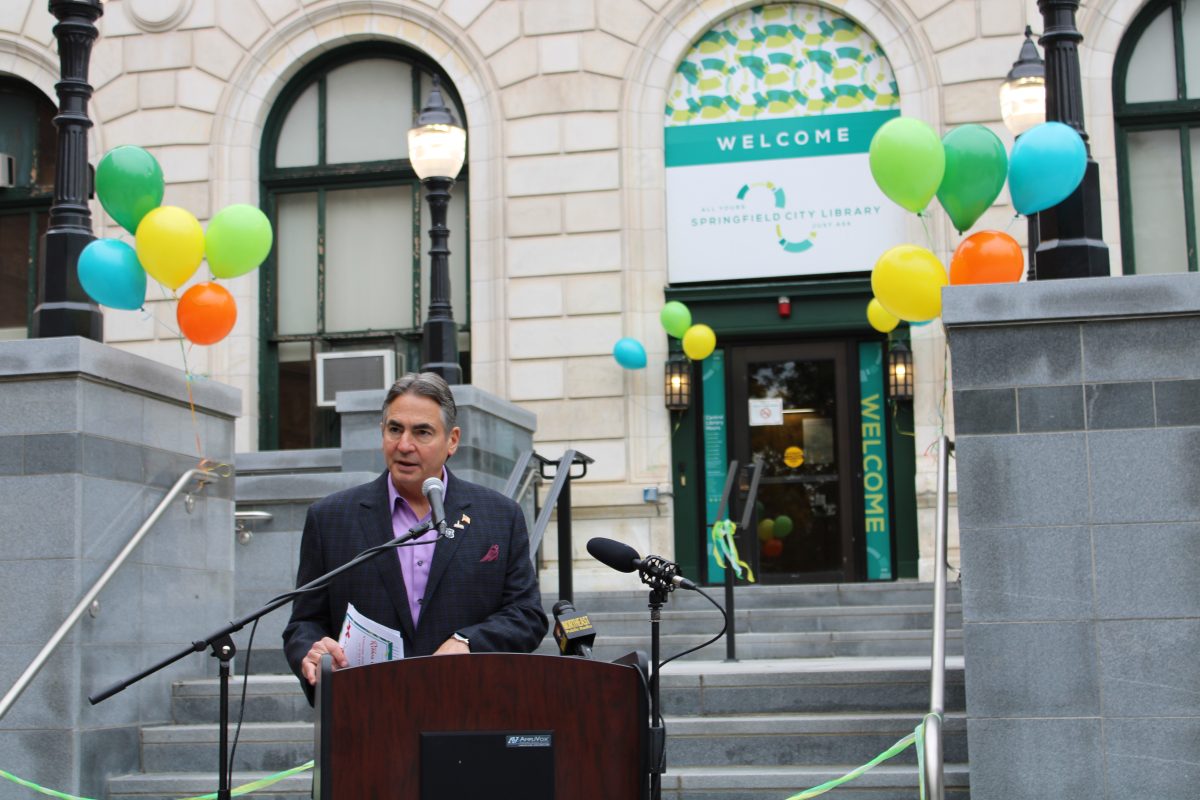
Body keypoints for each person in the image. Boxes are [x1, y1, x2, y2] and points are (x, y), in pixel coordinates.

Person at [282, 372, 548, 701]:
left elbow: (526, 616)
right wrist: (314, 654)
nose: (404, 445)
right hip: (368, 708)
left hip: (470, 706)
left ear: (452, 440)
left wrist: (468, 642)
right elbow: (304, 623)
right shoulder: (331, 518)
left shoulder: (499, 515)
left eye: (422, 432)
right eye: (395, 429)